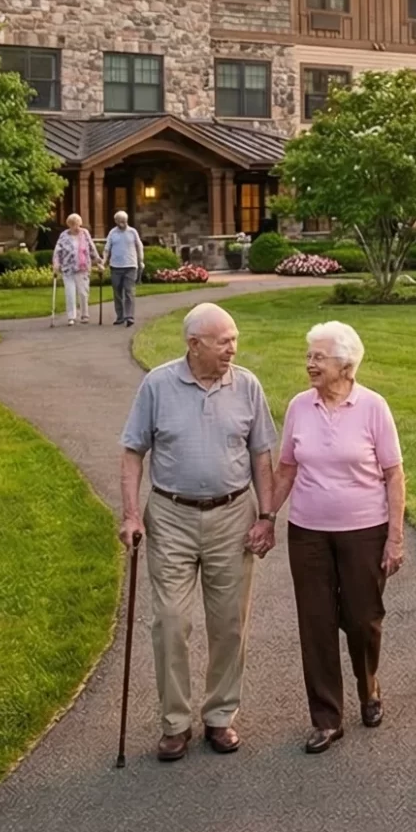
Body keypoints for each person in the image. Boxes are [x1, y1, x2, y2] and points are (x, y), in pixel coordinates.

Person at [118, 302, 278, 760]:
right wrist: (131, 514)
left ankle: (220, 716)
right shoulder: (158, 385)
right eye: (223, 341)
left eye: (234, 339)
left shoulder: (246, 385)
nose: (233, 348)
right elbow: (133, 451)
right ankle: (175, 722)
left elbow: (262, 454)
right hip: (170, 515)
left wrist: (267, 517)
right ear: (193, 345)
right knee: (170, 621)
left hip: (233, 515)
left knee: (229, 622)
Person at [269, 321, 405, 754]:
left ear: (345, 365)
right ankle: (326, 717)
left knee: (363, 619)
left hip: (365, 530)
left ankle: (369, 688)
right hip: (308, 531)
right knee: (316, 622)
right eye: (309, 356)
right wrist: (267, 515)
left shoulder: (373, 407)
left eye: (318, 357)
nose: (310, 364)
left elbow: (393, 474)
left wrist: (395, 538)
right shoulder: (298, 407)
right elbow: (287, 467)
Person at [54, 214, 99, 325]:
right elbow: (57, 251)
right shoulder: (63, 236)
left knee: (83, 293)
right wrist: (56, 264)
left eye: (78, 224)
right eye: (73, 224)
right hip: (68, 269)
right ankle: (71, 317)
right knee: (70, 293)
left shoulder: (84, 233)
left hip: (82, 268)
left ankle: (85, 315)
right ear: (69, 225)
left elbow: (91, 248)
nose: (76, 227)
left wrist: (98, 261)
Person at [106, 211, 145, 327]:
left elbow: (139, 246)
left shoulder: (133, 232)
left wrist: (141, 260)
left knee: (129, 291)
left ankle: (129, 317)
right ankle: (120, 316)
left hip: (130, 266)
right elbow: (107, 249)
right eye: (121, 222)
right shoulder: (112, 233)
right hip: (115, 266)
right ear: (116, 221)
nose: (123, 224)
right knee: (117, 292)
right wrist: (103, 261)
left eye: (125, 221)